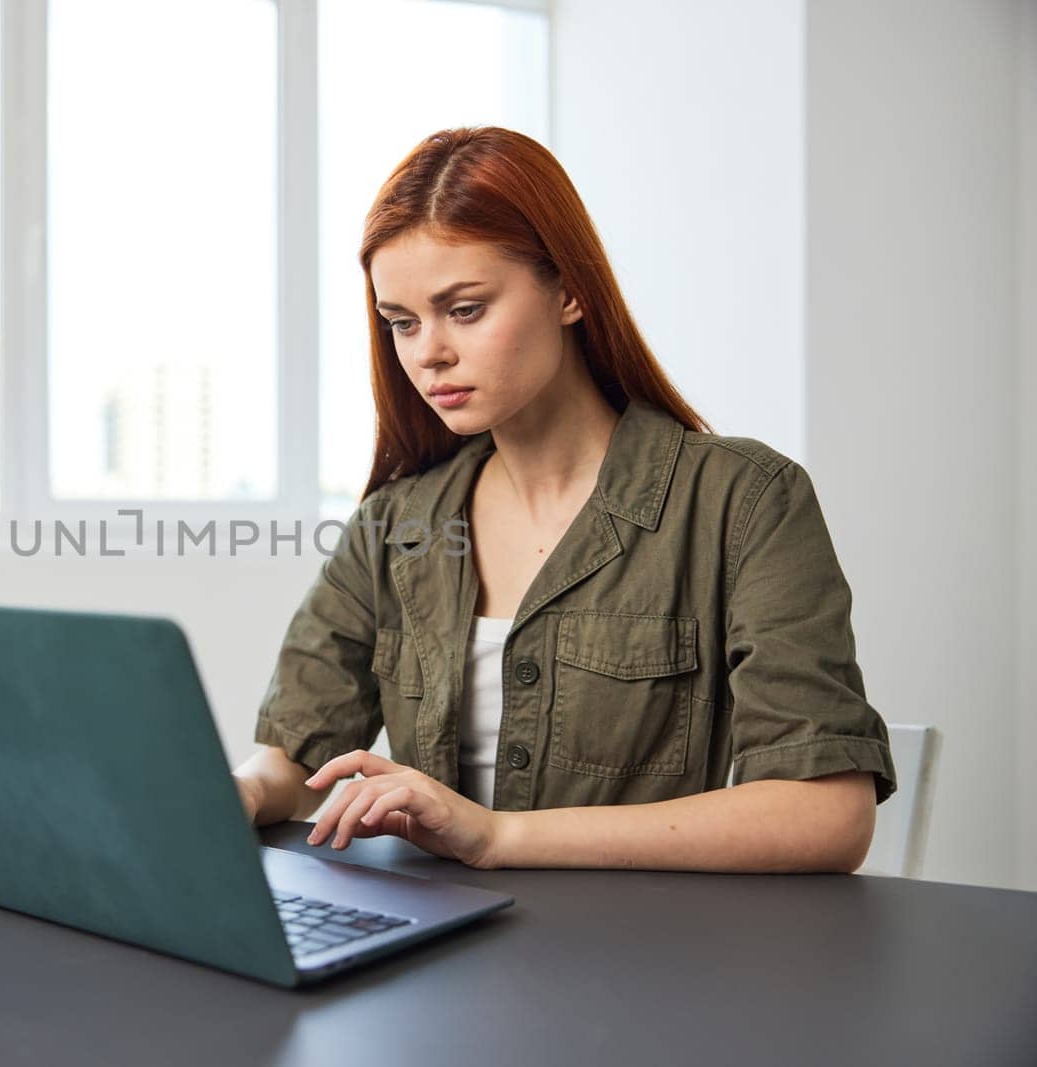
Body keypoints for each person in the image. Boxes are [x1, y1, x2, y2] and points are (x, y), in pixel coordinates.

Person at [230, 127, 896, 874]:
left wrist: (498, 835)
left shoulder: (743, 502)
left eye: (467, 309)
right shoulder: (395, 521)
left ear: (569, 290)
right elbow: (289, 759)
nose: (429, 353)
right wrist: (240, 792)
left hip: (643, 956)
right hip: (441, 953)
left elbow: (828, 815)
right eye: (402, 323)